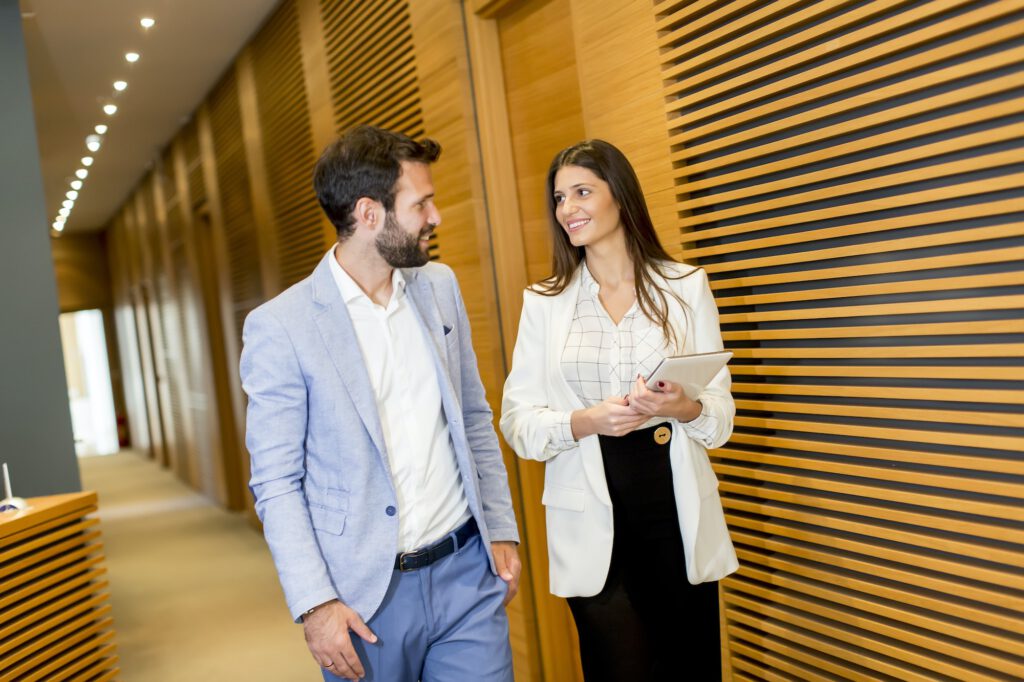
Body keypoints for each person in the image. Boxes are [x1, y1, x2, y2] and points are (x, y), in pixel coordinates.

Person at [241, 125, 521, 682]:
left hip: (466, 571)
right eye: (422, 203)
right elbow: (276, 482)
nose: (435, 217)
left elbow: (471, 417)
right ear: (369, 214)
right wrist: (315, 604)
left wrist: (500, 528)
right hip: (365, 598)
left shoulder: (438, 286)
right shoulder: (281, 327)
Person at [500, 139, 738, 680]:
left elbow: (720, 417)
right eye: (560, 198)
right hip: (591, 516)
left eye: (583, 191)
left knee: (689, 671)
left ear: (620, 196)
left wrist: (683, 406)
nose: (568, 209)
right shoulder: (544, 303)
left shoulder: (685, 287)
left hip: (674, 509)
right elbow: (517, 424)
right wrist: (586, 421)